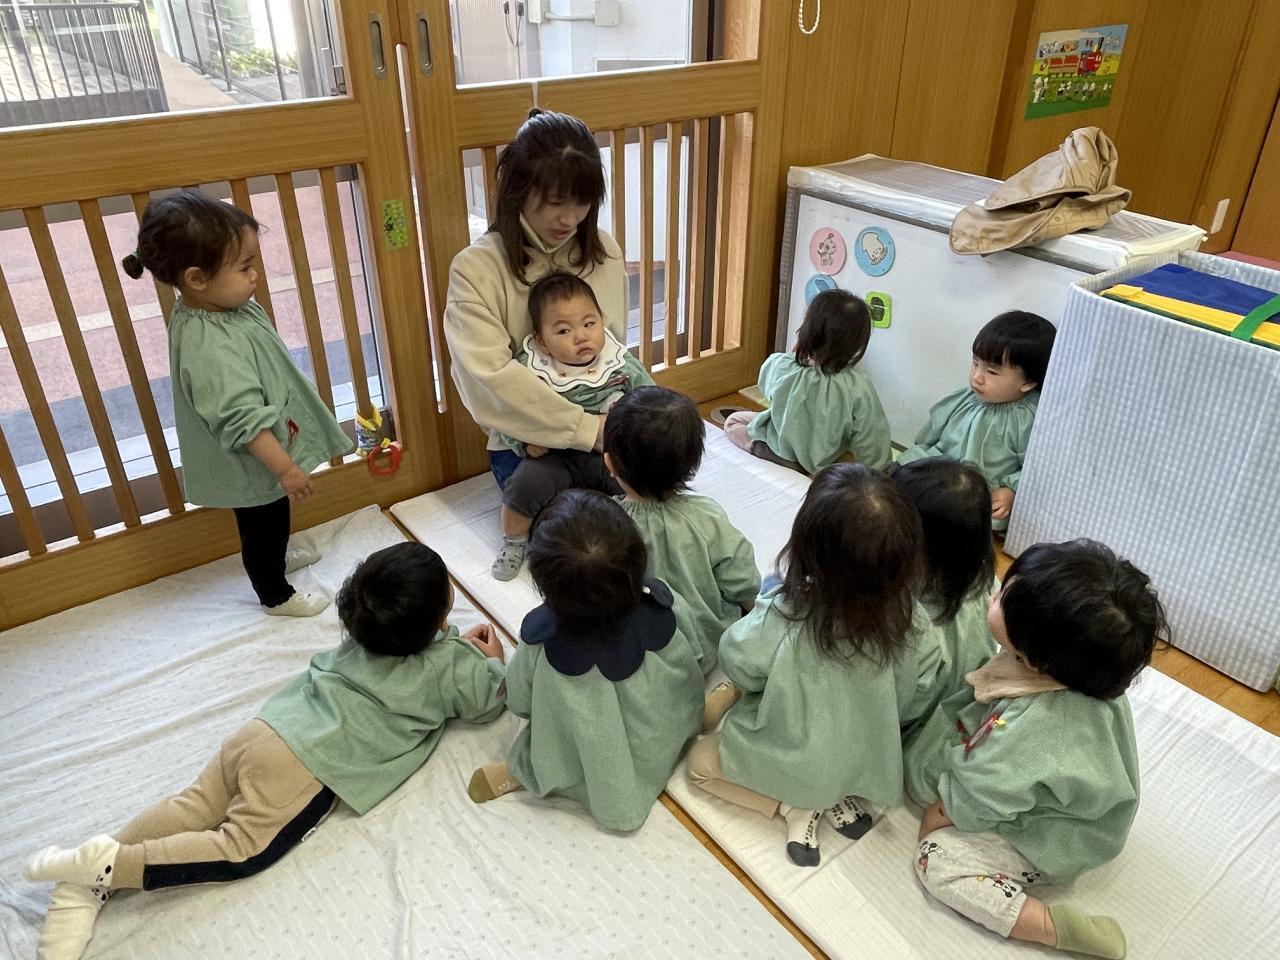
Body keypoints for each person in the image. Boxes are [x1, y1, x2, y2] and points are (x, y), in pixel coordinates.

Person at [24, 542, 507, 960]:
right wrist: (490, 662)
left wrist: (446, 640)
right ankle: (110, 868)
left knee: (192, 805)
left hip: (265, 729)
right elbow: (487, 702)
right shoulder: (450, 668)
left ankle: (87, 880)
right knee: (241, 850)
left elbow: (416, 649)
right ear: (440, 617)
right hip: (305, 766)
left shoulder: (363, 632)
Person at [906, 540, 1166, 959]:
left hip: (1047, 838)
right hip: (1062, 792)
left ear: (1034, 659)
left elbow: (987, 791)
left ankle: (1049, 926)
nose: (995, 593)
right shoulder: (1083, 670)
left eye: (1002, 598)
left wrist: (943, 812)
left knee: (936, 861)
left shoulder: (1036, 727)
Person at [688, 464, 936, 866]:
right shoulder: (916, 622)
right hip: (863, 762)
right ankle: (833, 799)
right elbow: (916, 697)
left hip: (790, 756)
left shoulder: (785, 614)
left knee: (699, 766)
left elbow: (739, 662)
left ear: (806, 549)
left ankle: (791, 806)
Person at [122, 190, 353, 616]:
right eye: (245, 267)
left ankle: (277, 558)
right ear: (196, 278)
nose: (255, 276)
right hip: (250, 458)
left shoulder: (219, 307)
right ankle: (274, 592)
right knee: (262, 523)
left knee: (274, 515)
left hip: (264, 451)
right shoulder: (209, 345)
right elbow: (240, 419)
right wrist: (285, 468)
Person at [467, 490, 704, 832]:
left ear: (542, 582)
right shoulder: (664, 600)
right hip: (671, 727)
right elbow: (696, 654)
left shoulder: (539, 640)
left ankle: (525, 770)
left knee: (547, 742)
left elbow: (519, 702)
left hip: (605, 762)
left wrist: (496, 665)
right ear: (638, 556)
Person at [445, 108, 628, 492]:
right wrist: (587, 430)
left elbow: (613, 349)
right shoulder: (476, 269)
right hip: (530, 445)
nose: (569, 219)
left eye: (581, 202)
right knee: (582, 523)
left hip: (603, 421)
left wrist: (619, 424)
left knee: (664, 494)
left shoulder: (603, 251)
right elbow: (489, 383)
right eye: (555, 202)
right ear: (519, 189)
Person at [492, 272, 653, 580]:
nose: (581, 336)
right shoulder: (531, 368)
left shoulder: (619, 363)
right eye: (564, 330)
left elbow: (648, 399)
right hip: (555, 456)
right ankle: (513, 542)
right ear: (541, 340)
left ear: (601, 321)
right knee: (523, 486)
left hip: (606, 454)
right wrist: (524, 442)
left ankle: (641, 535)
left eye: (589, 324)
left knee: (638, 485)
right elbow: (511, 411)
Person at [604, 386, 759, 674]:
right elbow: (742, 581)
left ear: (609, 463)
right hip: (712, 643)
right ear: (694, 464)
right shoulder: (707, 516)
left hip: (650, 660)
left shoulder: (606, 525)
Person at [897, 311, 1056, 531]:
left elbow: (1036, 467)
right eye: (975, 363)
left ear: (1028, 382)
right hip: (941, 472)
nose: (977, 377)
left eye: (992, 372)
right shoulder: (966, 397)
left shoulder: (1030, 418)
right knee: (900, 476)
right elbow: (931, 434)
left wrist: (1011, 490)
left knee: (978, 519)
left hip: (980, 491)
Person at [724, 290, 890, 474]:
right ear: (857, 344)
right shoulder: (859, 385)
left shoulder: (782, 365)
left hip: (777, 449)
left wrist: (797, 352)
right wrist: (876, 471)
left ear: (807, 332)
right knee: (848, 453)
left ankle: (773, 455)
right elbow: (871, 437)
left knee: (733, 421)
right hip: (823, 459)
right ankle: (815, 470)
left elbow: (766, 387)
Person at [890, 457, 999, 726]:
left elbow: (895, 710)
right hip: (965, 710)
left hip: (918, 730)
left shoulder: (910, 620)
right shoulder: (987, 580)